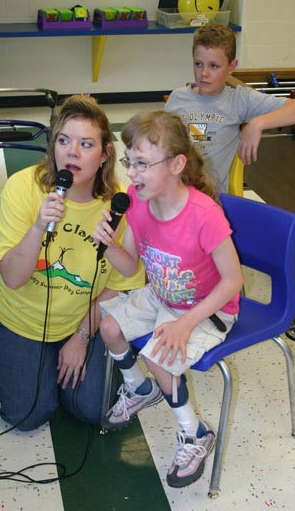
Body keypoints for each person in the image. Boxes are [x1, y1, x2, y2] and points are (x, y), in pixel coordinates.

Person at [93, 110, 243, 488]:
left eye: (142, 164)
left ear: (177, 164)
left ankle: (196, 434)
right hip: (163, 295)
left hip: (209, 309)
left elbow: (233, 281)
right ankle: (140, 390)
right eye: (130, 162)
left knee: (157, 356)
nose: (132, 174)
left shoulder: (203, 215)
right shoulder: (137, 202)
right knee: (108, 326)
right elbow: (129, 269)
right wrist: (108, 245)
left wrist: (186, 323)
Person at [0, 94, 145, 432]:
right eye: (64, 141)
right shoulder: (22, 188)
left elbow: (123, 283)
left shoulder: (120, 204)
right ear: (53, 146)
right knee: (27, 416)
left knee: (91, 411)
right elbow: (12, 278)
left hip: (82, 319)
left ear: (104, 155)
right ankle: (27, 361)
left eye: (86, 144)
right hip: (18, 317)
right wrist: (39, 226)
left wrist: (82, 335)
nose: (72, 152)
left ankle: (56, 365)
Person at [164, 23, 295, 192]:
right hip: (174, 193)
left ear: (232, 66)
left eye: (213, 66)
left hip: (211, 200)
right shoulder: (177, 98)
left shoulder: (239, 99)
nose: (203, 73)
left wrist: (257, 123)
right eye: (198, 64)